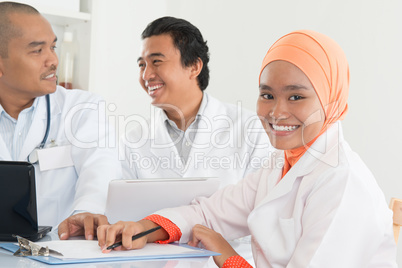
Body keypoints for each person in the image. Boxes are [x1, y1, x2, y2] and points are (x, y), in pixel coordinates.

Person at [97, 30, 397, 267]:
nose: (277, 112)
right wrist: (143, 228)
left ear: (331, 101)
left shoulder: (343, 182)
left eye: (296, 97)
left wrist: (228, 258)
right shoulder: (283, 164)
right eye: (267, 95)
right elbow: (210, 212)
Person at [0, 2, 121, 240]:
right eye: (37, 51)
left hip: (60, 253)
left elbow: (101, 166)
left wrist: (88, 211)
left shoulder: (82, 109)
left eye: (53, 47)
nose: (53, 60)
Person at [120, 16, 271, 187]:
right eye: (142, 65)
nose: (146, 75)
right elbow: (125, 208)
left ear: (194, 66)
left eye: (156, 62)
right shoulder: (132, 141)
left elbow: (260, 203)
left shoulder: (252, 129)